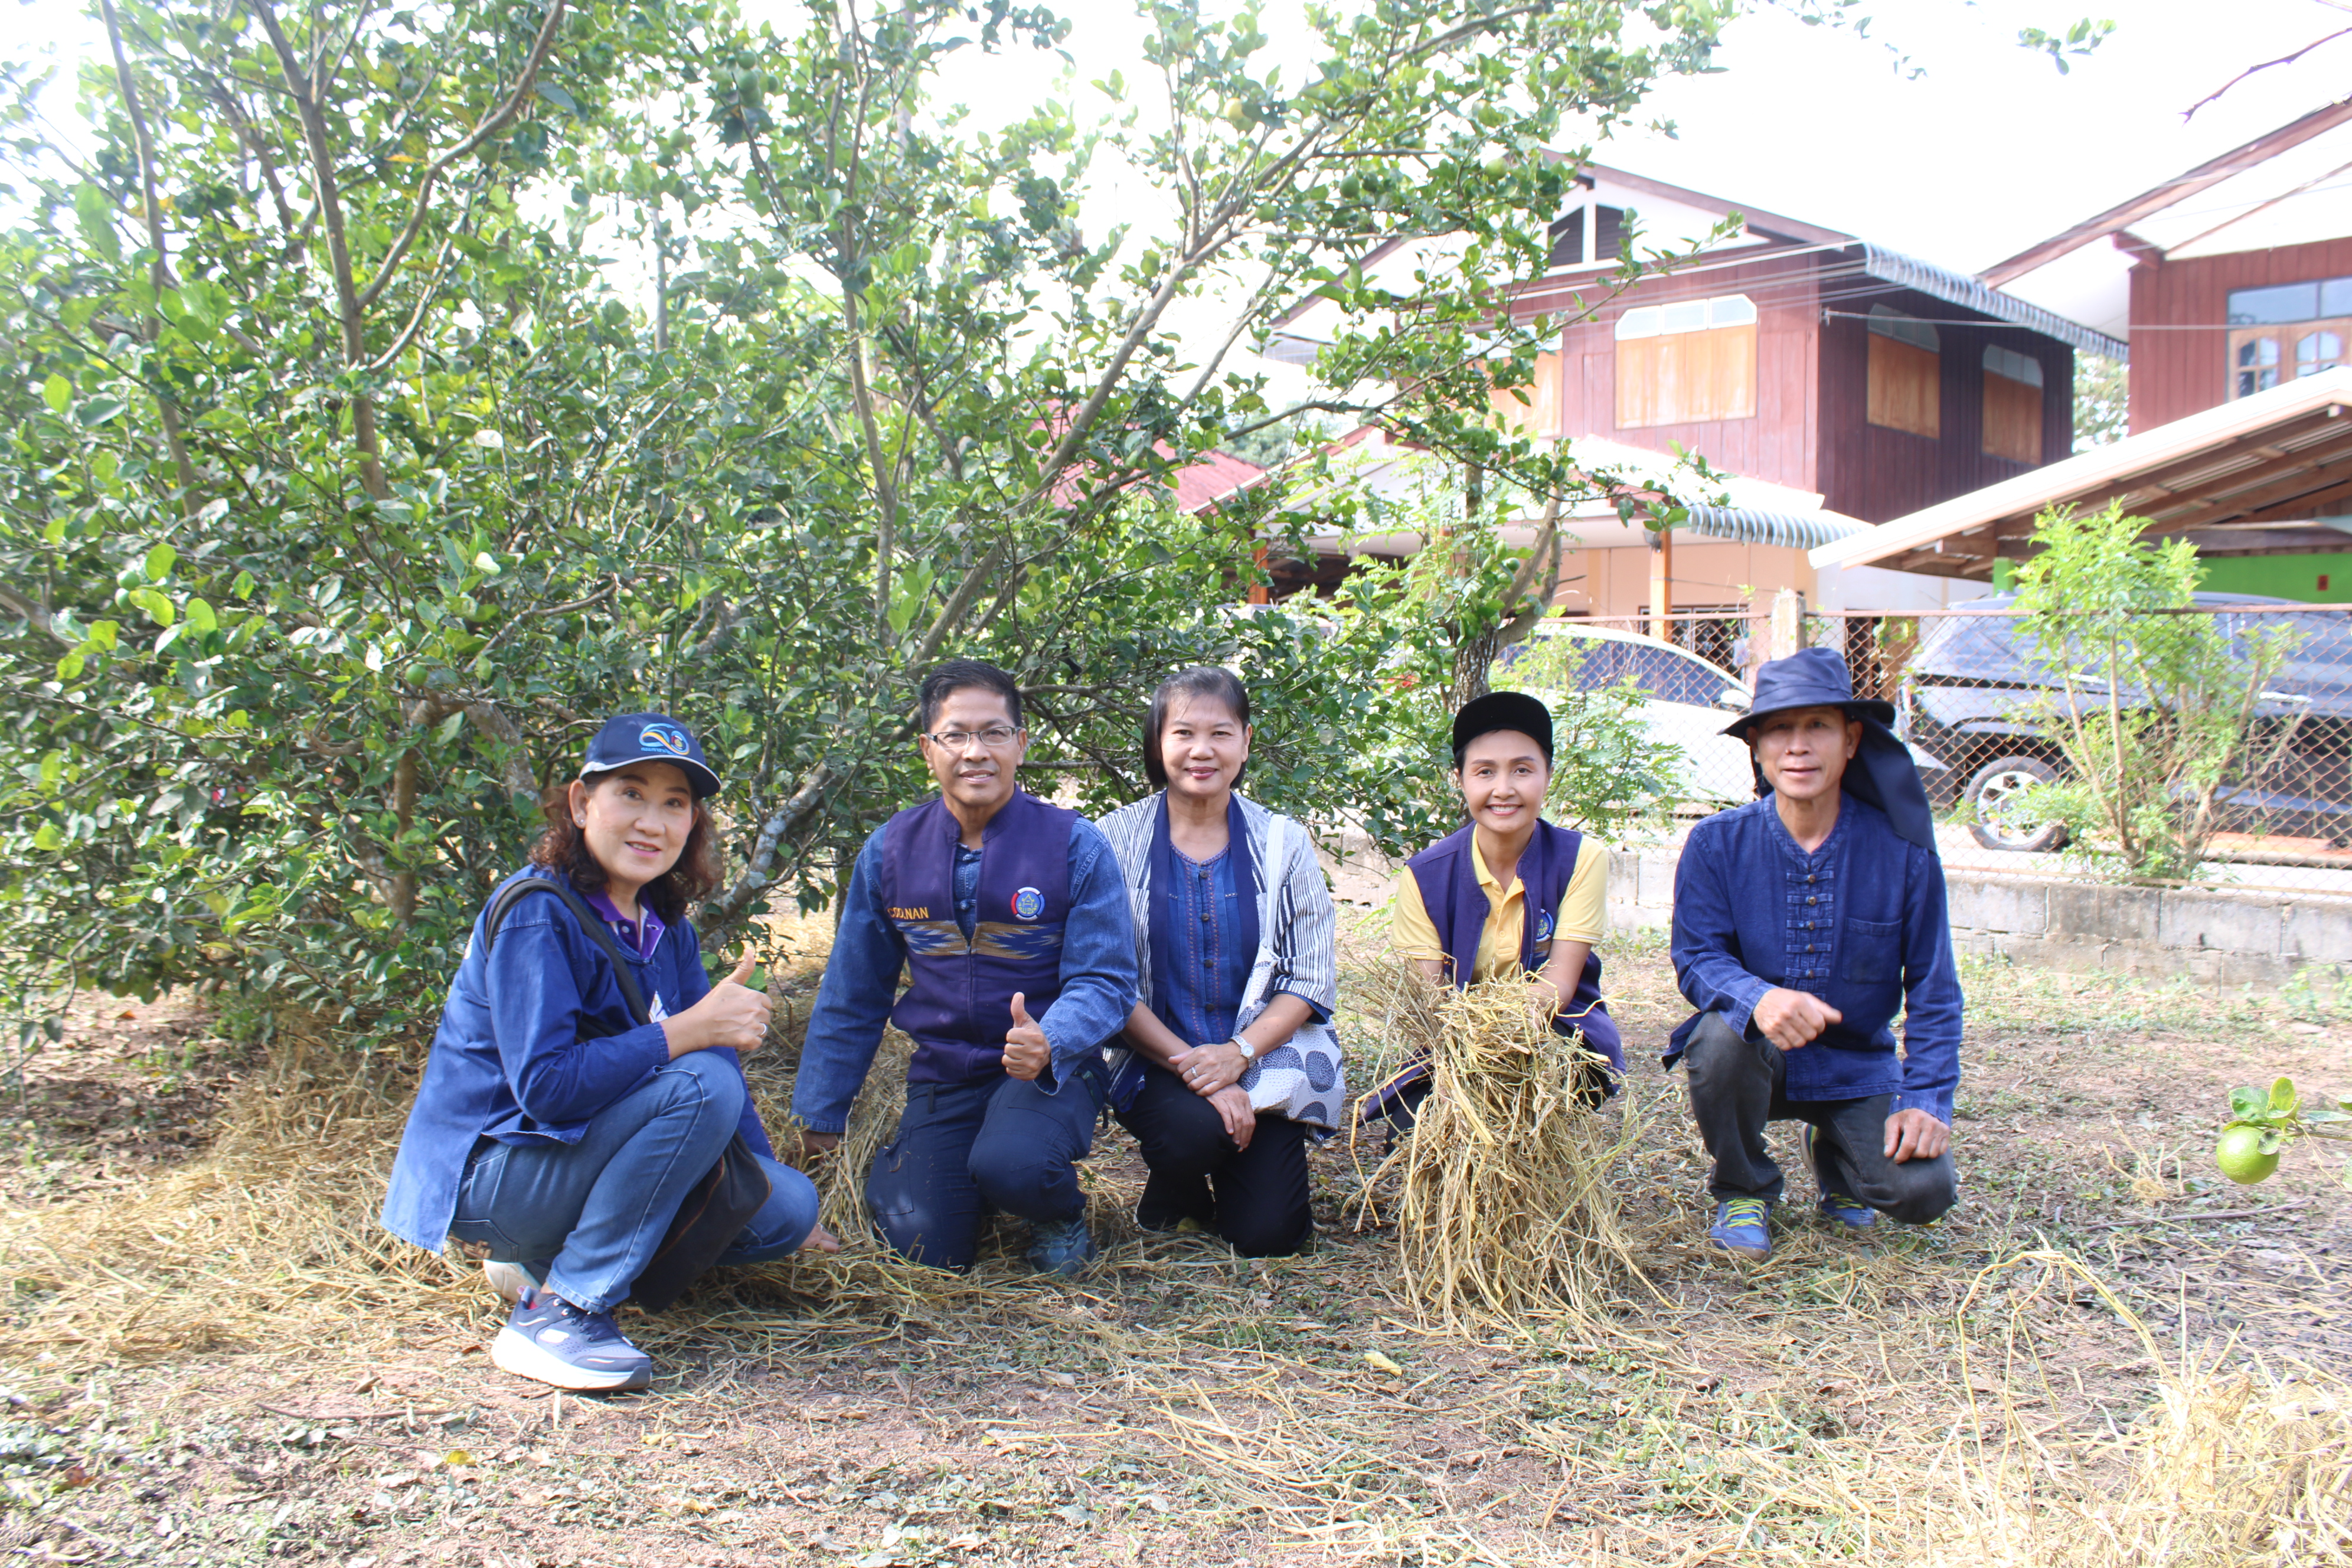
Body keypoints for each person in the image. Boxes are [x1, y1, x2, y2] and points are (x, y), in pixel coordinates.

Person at [383, 713, 838, 1394]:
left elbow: (720, 1069)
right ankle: (562, 1311)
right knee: (701, 1084)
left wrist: (761, 1176)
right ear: (581, 803)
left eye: (674, 803)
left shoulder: (666, 927)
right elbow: (546, 1087)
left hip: (570, 1157)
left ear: (693, 824)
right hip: (494, 1172)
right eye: (631, 793)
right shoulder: (539, 909)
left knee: (783, 1205)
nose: (652, 822)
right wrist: (689, 1030)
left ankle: (539, 1258)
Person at [790, 659, 1139, 1276]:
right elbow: (854, 991)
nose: (975, 752)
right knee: (922, 1245)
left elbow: (1106, 982)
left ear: (1021, 744)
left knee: (1017, 1164)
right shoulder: (891, 851)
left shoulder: (1073, 845)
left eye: (995, 733)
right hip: (945, 1074)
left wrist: (1051, 1039)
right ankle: (966, 1174)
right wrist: (821, 1111)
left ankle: (1052, 1209)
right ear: (928, 749)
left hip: (1048, 1074)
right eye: (956, 735)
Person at [1667, 646, 1961, 1262]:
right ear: (1757, 747)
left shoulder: (1904, 854)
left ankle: (1838, 1156)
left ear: (1852, 741)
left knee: (1924, 1192)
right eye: (1779, 728)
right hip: (1755, 1063)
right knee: (1720, 1038)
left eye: (1817, 727)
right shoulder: (1716, 844)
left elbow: (1934, 987)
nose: (1797, 746)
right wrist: (1761, 997)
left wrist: (1927, 1099)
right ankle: (1744, 1186)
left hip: (1857, 1071)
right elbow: (1696, 958)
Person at [1095, 668, 1344, 1258]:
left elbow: (1307, 978)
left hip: (1261, 1056)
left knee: (1269, 1235)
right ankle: (1180, 1181)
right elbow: (1106, 978)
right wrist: (1196, 1068)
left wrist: (1238, 1056)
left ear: (1246, 742)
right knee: (1191, 1132)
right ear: (1158, 741)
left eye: (1221, 733)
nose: (1201, 750)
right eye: (1183, 732)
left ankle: (1210, 1181)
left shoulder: (1284, 842)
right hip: (1154, 1057)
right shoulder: (1111, 839)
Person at [1366, 690, 1622, 1129]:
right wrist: (1473, 1050)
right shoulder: (1425, 876)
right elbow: (1434, 1000)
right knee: (1417, 1126)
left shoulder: (1581, 858)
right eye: (1485, 772)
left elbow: (1559, 985)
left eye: (1523, 770)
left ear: (1548, 775)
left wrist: (1500, 1036)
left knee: (1537, 1107)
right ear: (1461, 779)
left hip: (1554, 1032)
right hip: (1456, 1041)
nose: (1504, 789)